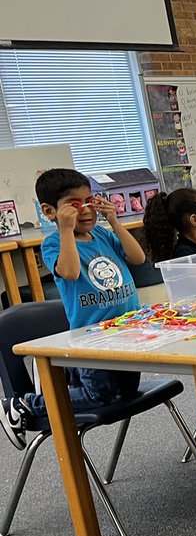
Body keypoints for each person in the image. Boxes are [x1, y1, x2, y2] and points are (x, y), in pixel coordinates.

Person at [1, 170, 145, 447]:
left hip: (126, 333)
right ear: (49, 210)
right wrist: (66, 229)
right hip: (90, 341)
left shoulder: (103, 235)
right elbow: (68, 272)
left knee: (128, 390)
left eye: (89, 200)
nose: (86, 209)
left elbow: (137, 258)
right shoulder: (54, 242)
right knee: (96, 396)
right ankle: (24, 404)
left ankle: (61, 383)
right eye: (74, 204)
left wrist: (114, 220)